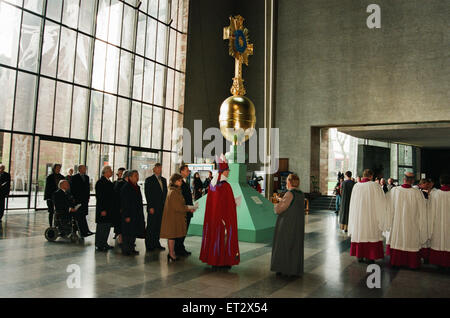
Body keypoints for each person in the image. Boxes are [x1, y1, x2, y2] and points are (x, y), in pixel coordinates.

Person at [200, 156, 240, 270]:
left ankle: (213, 260)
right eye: (228, 170)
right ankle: (222, 262)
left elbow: (215, 203)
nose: (229, 173)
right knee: (223, 240)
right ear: (225, 171)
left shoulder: (213, 185)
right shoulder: (225, 186)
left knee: (215, 239)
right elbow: (226, 203)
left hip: (214, 218)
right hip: (223, 219)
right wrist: (234, 203)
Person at [385, 172, 428, 269]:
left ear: (404, 179)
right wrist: (422, 226)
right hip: (412, 224)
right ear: (412, 181)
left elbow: (388, 208)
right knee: (411, 240)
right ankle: (412, 263)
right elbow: (422, 212)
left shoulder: (394, 191)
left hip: (397, 223)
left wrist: (388, 223)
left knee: (398, 240)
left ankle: (397, 261)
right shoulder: (418, 193)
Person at [348, 169, 387, 263]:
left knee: (360, 233)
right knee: (371, 234)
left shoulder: (356, 186)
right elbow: (381, 202)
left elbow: (352, 203)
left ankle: (359, 255)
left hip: (359, 216)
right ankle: (370, 256)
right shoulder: (375, 186)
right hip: (371, 216)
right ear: (371, 176)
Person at [271, 174, 305, 277]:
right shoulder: (301, 193)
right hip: (297, 224)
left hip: (287, 224)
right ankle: (294, 268)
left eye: (286, 182)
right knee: (295, 246)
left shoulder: (289, 194)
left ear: (289, 182)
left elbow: (279, 209)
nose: (286, 184)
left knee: (283, 245)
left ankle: (282, 268)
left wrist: (276, 205)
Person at [160, 173, 196, 262]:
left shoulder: (175, 191)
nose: (181, 182)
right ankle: (172, 254)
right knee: (172, 237)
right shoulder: (173, 192)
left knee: (173, 236)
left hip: (175, 217)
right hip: (173, 218)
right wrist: (188, 208)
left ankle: (172, 253)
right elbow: (178, 207)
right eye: (179, 181)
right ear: (175, 181)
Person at [120, 170, 145, 256]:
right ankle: (126, 250)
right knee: (127, 233)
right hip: (128, 214)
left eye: (137, 175)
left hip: (136, 214)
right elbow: (124, 203)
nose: (137, 177)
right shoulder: (126, 187)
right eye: (135, 176)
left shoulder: (137, 187)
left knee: (133, 232)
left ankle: (131, 248)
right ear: (130, 177)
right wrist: (126, 215)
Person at [428, 174, 450, 269]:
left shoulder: (435, 194)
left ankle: (439, 262)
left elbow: (430, 211)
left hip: (437, 223)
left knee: (438, 240)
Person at [144, 163, 168, 251]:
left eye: (160, 168)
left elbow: (165, 194)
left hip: (161, 207)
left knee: (158, 226)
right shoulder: (149, 180)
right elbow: (148, 194)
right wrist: (150, 206)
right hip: (153, 207)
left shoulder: (164, 180)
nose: (159, 169)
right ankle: (149, 244)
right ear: (154, 169)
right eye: (157, 168)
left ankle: (156, 243)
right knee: (151, 226)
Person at [95, 166, 115, 252]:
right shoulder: (100, 182)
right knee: (101, 227)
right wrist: (102, 209)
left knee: (107, 226)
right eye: (110, 171)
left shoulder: (109, 182)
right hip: (103, 209)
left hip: (109, 209)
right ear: (105, 172)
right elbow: (100, 197)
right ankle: (99, 244)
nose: (112, 172)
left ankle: (104, 243)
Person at [175, 165, 194, 256]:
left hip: (187, 210)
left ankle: (180, 247)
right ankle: (178, 249)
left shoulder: (185, 181)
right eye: (187, 170)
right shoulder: (179, 182)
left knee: (184, 230)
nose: (188, 172)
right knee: (180, 231)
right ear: (182, 171)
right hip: (183, 211)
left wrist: (191, 207)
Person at [71, 165, 93, 237]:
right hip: (78, 199)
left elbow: (87, 188)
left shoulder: (87, 177)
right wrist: (74, 198)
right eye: (83, 168)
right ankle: (81, 230)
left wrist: (88, 196)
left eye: (85, 168)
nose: (85, 169)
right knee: (79, 215)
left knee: (83, 215)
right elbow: (73, 188)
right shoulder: (74, 177)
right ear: (79, 169)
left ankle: (85, 230)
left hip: (85, 199)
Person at [112, 168, 127, 243]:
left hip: (121, 206)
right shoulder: (116, 182)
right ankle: (118, 234)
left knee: (120, 222)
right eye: (118, 174)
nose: (119, 175)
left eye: (121, 173)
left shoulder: (123, 183)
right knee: (118, 222)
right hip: (117, 206)